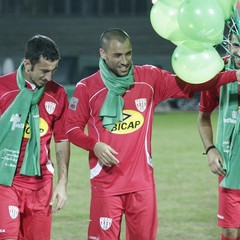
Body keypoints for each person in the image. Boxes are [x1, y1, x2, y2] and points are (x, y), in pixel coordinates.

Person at [66, 28, 240, 240]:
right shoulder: (87, 87)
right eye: (117, 55)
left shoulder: (149, 77)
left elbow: (192, 83)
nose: (124, 61)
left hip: (142, 185)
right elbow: (72, 129)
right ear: (102, 54)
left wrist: (234, 75)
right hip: (106, 184)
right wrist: (95, 145)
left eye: (128, 54)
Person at [0, 34, 70, 240]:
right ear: (28, 65)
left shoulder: (58, 94)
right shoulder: (2, 89)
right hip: (6, 181)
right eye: (44, 71)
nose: (49, 78)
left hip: (41, 185)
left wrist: (63, 182)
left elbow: (62, 139)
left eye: (54, 71)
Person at [198, 22, 240, 240]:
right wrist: (211, 149)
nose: (239, 52)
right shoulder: (218, 71)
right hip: (230, 166)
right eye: (235, 44)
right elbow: (203, 117)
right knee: (230, 231)